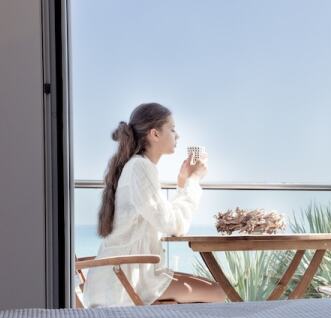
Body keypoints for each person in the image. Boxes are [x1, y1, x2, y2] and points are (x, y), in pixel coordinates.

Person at [82, 103, 226, 307]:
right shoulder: (140, 167)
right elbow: (173, 226)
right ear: (155, 134)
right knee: (218, 293)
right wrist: (194, 180)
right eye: (172, 129)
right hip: (128, 281)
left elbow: (164, 218)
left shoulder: (138, 166)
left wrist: (182, 183)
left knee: (207, 292)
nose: (177, 135)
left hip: (128, 275)